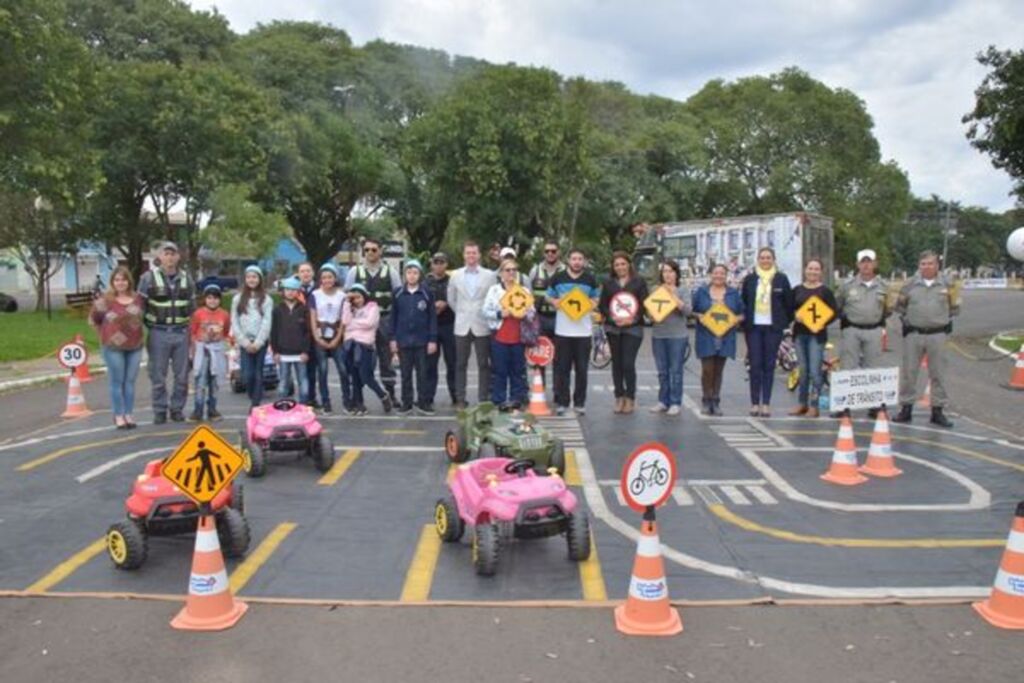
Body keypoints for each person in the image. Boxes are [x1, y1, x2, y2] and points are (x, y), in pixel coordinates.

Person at [892, 251, 958, 427]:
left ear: (937, 265)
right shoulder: (909, 285)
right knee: (909, 373)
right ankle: (906, 409)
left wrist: (939, 319)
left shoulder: (948, 284)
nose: (926, 267)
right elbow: (900, 306)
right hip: (914, 335)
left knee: (938, 373)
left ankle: (937, 411)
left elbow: (955, 308)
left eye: (930, 263)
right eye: (923, 264)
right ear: (918, 266)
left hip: (938, 334)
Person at [137, 241, 194, 424]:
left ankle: (177, 409)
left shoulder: (187, 278)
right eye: (166, 254)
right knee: (157, 375)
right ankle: (160, 410)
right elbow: (139, 307)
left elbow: (193, 308)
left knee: (182, 376)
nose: (170, 257)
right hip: (158, 333)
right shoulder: (147, 278)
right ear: (160, 257)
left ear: (178, 257)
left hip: (181, 332)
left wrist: (193, 335)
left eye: (173, 254)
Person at [836, 248, 890, 418]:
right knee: (848, 367)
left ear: (875, 264)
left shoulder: (884, 287)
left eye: (869, 261)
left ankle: (873, 405)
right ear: (858, 264)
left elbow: (888, 309)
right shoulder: (847, 286)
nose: (866, 265)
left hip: (874, 329)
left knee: (873, 368)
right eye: (863, 262)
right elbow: (838, 305)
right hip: (852, 329)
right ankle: (843, 405)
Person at [346, 237, 401, 403]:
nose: (370, 252)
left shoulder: (390, 272)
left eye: (374, 249)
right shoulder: (354, 272)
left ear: (381, 251)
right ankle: (357, 396)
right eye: (367, 249)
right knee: (361, 360)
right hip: (362, 322)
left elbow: (398, 298)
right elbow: (347, 298)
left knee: (386, 359)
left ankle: (391, 394)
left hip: (384, 319)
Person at [89, 266, 145, 429]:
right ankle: (118, 415)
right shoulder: (105, 300)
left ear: (129, 281)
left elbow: (144, 317)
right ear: (112, 282)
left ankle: (128, 414)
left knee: (130, 382)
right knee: (117, 381)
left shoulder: (138, 299)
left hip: (135, 345)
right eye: (117, 280)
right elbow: (94, 319)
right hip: (113, 347)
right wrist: (104, 334)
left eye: (123, 279)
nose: (120, 283)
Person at [546, 248, 600, 416]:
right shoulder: (558, 277)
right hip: (562, 331)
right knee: (563, 369)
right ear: (568, 260)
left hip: (583, 333)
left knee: (582, 370)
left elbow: (596, 299)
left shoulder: (590, 279)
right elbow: (548, 296)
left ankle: (579, 403)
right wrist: (554, 301)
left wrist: (591, 304)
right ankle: (562, 402)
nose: (577, 261)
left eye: (580, 259)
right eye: (574, 258)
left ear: (584, 261)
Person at [740, 247, 793, 417]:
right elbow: (744, 301)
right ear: (758, 260)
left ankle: (766, 404)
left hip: (773, 328)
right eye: (762, 258)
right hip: (754, 328)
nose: (765, 260)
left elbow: (789, 304)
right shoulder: (750, 279)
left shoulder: (781, 279)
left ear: (773, 259)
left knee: (769, 365)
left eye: (768, 257)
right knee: (755, 365)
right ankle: (754, 403)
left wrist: (783, 322)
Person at [598, 251, 649, 414]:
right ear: (613, 267)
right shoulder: (608, 283)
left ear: (629, 265)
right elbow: (603, 305)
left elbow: (643, 305)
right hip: (613, 328)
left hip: (633, 329)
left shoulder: (639, 282)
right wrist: (613, 319)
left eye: (623, 264)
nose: (620, 267)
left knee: (628, 363)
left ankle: (630, 397)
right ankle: (619, 397)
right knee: (617, 364)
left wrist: (631, 319)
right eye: (617, 264)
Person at [448, 241, 496, 408]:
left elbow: (493, 299)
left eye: (474, 253)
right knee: (460, 364)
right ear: (464, 255)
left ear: (479, 255)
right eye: (468, 253)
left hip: (482, 324)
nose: (471, 256)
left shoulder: (490, 275)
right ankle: (460, 398)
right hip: (462, 325)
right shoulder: (455, 275)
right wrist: (462, 313)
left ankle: (483, 398)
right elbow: (451, 299)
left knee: (484, 364)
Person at [693, 263, 744, 415]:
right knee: (707, 369)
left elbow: (742, 312)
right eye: (716, 273)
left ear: (726, 275)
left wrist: (737, 319)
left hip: (725, 336)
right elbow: (693, 310)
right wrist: (699, 316)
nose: (718, 276)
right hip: (706, 335)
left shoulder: (733, 293)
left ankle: (716, 400)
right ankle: (706, 399)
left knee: (719, 370)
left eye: (722, 273)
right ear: (711, 274)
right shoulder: (701, 292)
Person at [483, 258, 533, 410]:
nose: (511, 273)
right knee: (500, 370)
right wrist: (500, 313)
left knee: (517, 370)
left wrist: (524, 314)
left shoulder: (524, 291)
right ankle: (499, 400)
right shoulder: (494, 290)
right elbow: (485, 311)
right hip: (500, 336)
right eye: (507, 270)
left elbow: (532, 314)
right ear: (501, 273)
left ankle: (516, 399)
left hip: (518, 337)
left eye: (513, 270)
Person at [789, 259, 837, 418]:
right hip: (800, 334)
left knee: (815, 372)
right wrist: (795, 316)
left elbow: (835, 312)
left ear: (821, 272)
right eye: (810, 268)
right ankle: (802, 403)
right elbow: (788, 309)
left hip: (817, 336)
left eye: (816, 269)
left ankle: (814, 406)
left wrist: (821, 321)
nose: (813, 272)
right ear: (805, 270)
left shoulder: (825, 291)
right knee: (802, 371)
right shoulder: (796, 290)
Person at [389, 260, 438, 415]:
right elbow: (393, 318)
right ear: (404, 275)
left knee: (423, 373)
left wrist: (432, 339)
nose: (412, 276)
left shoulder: (426, 293)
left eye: (415, 272)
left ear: (420, 275)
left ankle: (423, 402)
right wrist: (393, 339)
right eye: (409, 273)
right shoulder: (397, 293)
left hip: (422, 341)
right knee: (405, 374)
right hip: (403, 341)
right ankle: (406, 402)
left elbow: (432, 318)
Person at [342, 284, 393, 415]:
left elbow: (370, 323)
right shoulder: (349, 308)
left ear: (364, 296)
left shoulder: (372, 307)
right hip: (350, 345)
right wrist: (347, 303)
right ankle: (359, 404)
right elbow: (345, 322)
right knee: (355, 377)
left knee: (366, 376)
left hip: (365, 346)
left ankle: (383, 395)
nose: (357, 300)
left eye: (359, 297)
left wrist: (353, 325)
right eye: (355, 298)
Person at [649, 259, 691, 416]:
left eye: (671, 271)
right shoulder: (655, 289)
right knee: (662, 371)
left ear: (676, 273)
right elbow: (650, 314)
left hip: (678, 336)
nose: (668, 274)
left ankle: (675, 402)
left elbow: (687, 311)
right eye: (665, 271)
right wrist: (652, 314)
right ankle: (663, 401)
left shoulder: (683, 290)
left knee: (676, 370)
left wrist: (673, 296)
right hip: (659, 334)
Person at [231, 265, 274, 411]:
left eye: (254, 277)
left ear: (260, 279)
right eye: (249, 277)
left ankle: (255, 405)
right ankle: (253, 396)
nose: (251, 280)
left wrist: (258, 342)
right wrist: (244, 341)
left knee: (258, 373)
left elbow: (267, 322)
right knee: (247, 375)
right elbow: (234, 321)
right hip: (245, 342)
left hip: (260, 342)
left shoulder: (266, 299)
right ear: (245, 279)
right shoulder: (237, 299)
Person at [310, 263, 350, 414]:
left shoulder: (342, 296)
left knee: (343, 369)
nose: (327, 280)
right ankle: (326, 402)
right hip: (320, 336)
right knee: (322, 370)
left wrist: (337, 338)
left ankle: (347, 400)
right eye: (324, 277)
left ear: (335, 278)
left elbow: (343, 319)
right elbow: (313, 318)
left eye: (330, 277)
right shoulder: (315, 295)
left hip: (336, 336)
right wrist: (317, 338)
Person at [188, 284, 231, 422]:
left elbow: (226, 332)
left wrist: (224, 344)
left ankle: (212, 409)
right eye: (210, 298)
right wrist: (194, 349)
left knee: (214, 381)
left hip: (217, 350)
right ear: (205, 299)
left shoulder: (224, 314)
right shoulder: (198, 314)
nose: (213, 301)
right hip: (202, 350)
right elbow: (193, 332)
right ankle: (198, 409)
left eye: (216, 298)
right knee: (200, 381)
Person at [528, 241, 565, 384]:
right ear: (543, 253)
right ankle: (539, 388)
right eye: (547, 251)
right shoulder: (535, 270)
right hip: (539, 317)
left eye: (553, 251)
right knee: (539, 355)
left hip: (559, 317)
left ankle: (558, 391)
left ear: (558, 252)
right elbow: (528, 294)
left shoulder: (565, 270)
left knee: (559, 357)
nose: (550, 253)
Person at [271, 277, 312, 405]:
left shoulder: (304, 309)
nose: (290, 292)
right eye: (288, 289)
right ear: (283, 291)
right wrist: (275, 351)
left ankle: (303, 405)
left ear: (298, 291)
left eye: (293, 290)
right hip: (283, 353)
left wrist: (306, 351)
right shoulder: (277, 309)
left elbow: (308, 331)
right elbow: (274, 331)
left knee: (303, 381)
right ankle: (282, 406)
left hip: (300, 353)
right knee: (283, 381)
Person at [425, 253, 456, 406]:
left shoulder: (453, 281)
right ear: (432, 265)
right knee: (430, 364)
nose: (438, 265)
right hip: (431, 327)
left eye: (441, 262)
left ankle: (456, 396)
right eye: (436, 262)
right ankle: (428, 397)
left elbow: (458, 299)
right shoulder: (425, 282)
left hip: (450, 325)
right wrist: (433, 307)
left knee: (452, 363)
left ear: (446, 264)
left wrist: (446, 303)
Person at [295, 260, 319, 401]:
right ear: (298, 274)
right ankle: (302, 399)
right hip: (298, 335)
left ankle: (312, 398)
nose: (305, 274)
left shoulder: (318, 289)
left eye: (308, 271)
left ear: (313, 273)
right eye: (302, 271)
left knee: (313, 369)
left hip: (314, 333)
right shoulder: (293, 290)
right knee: (300, 370)